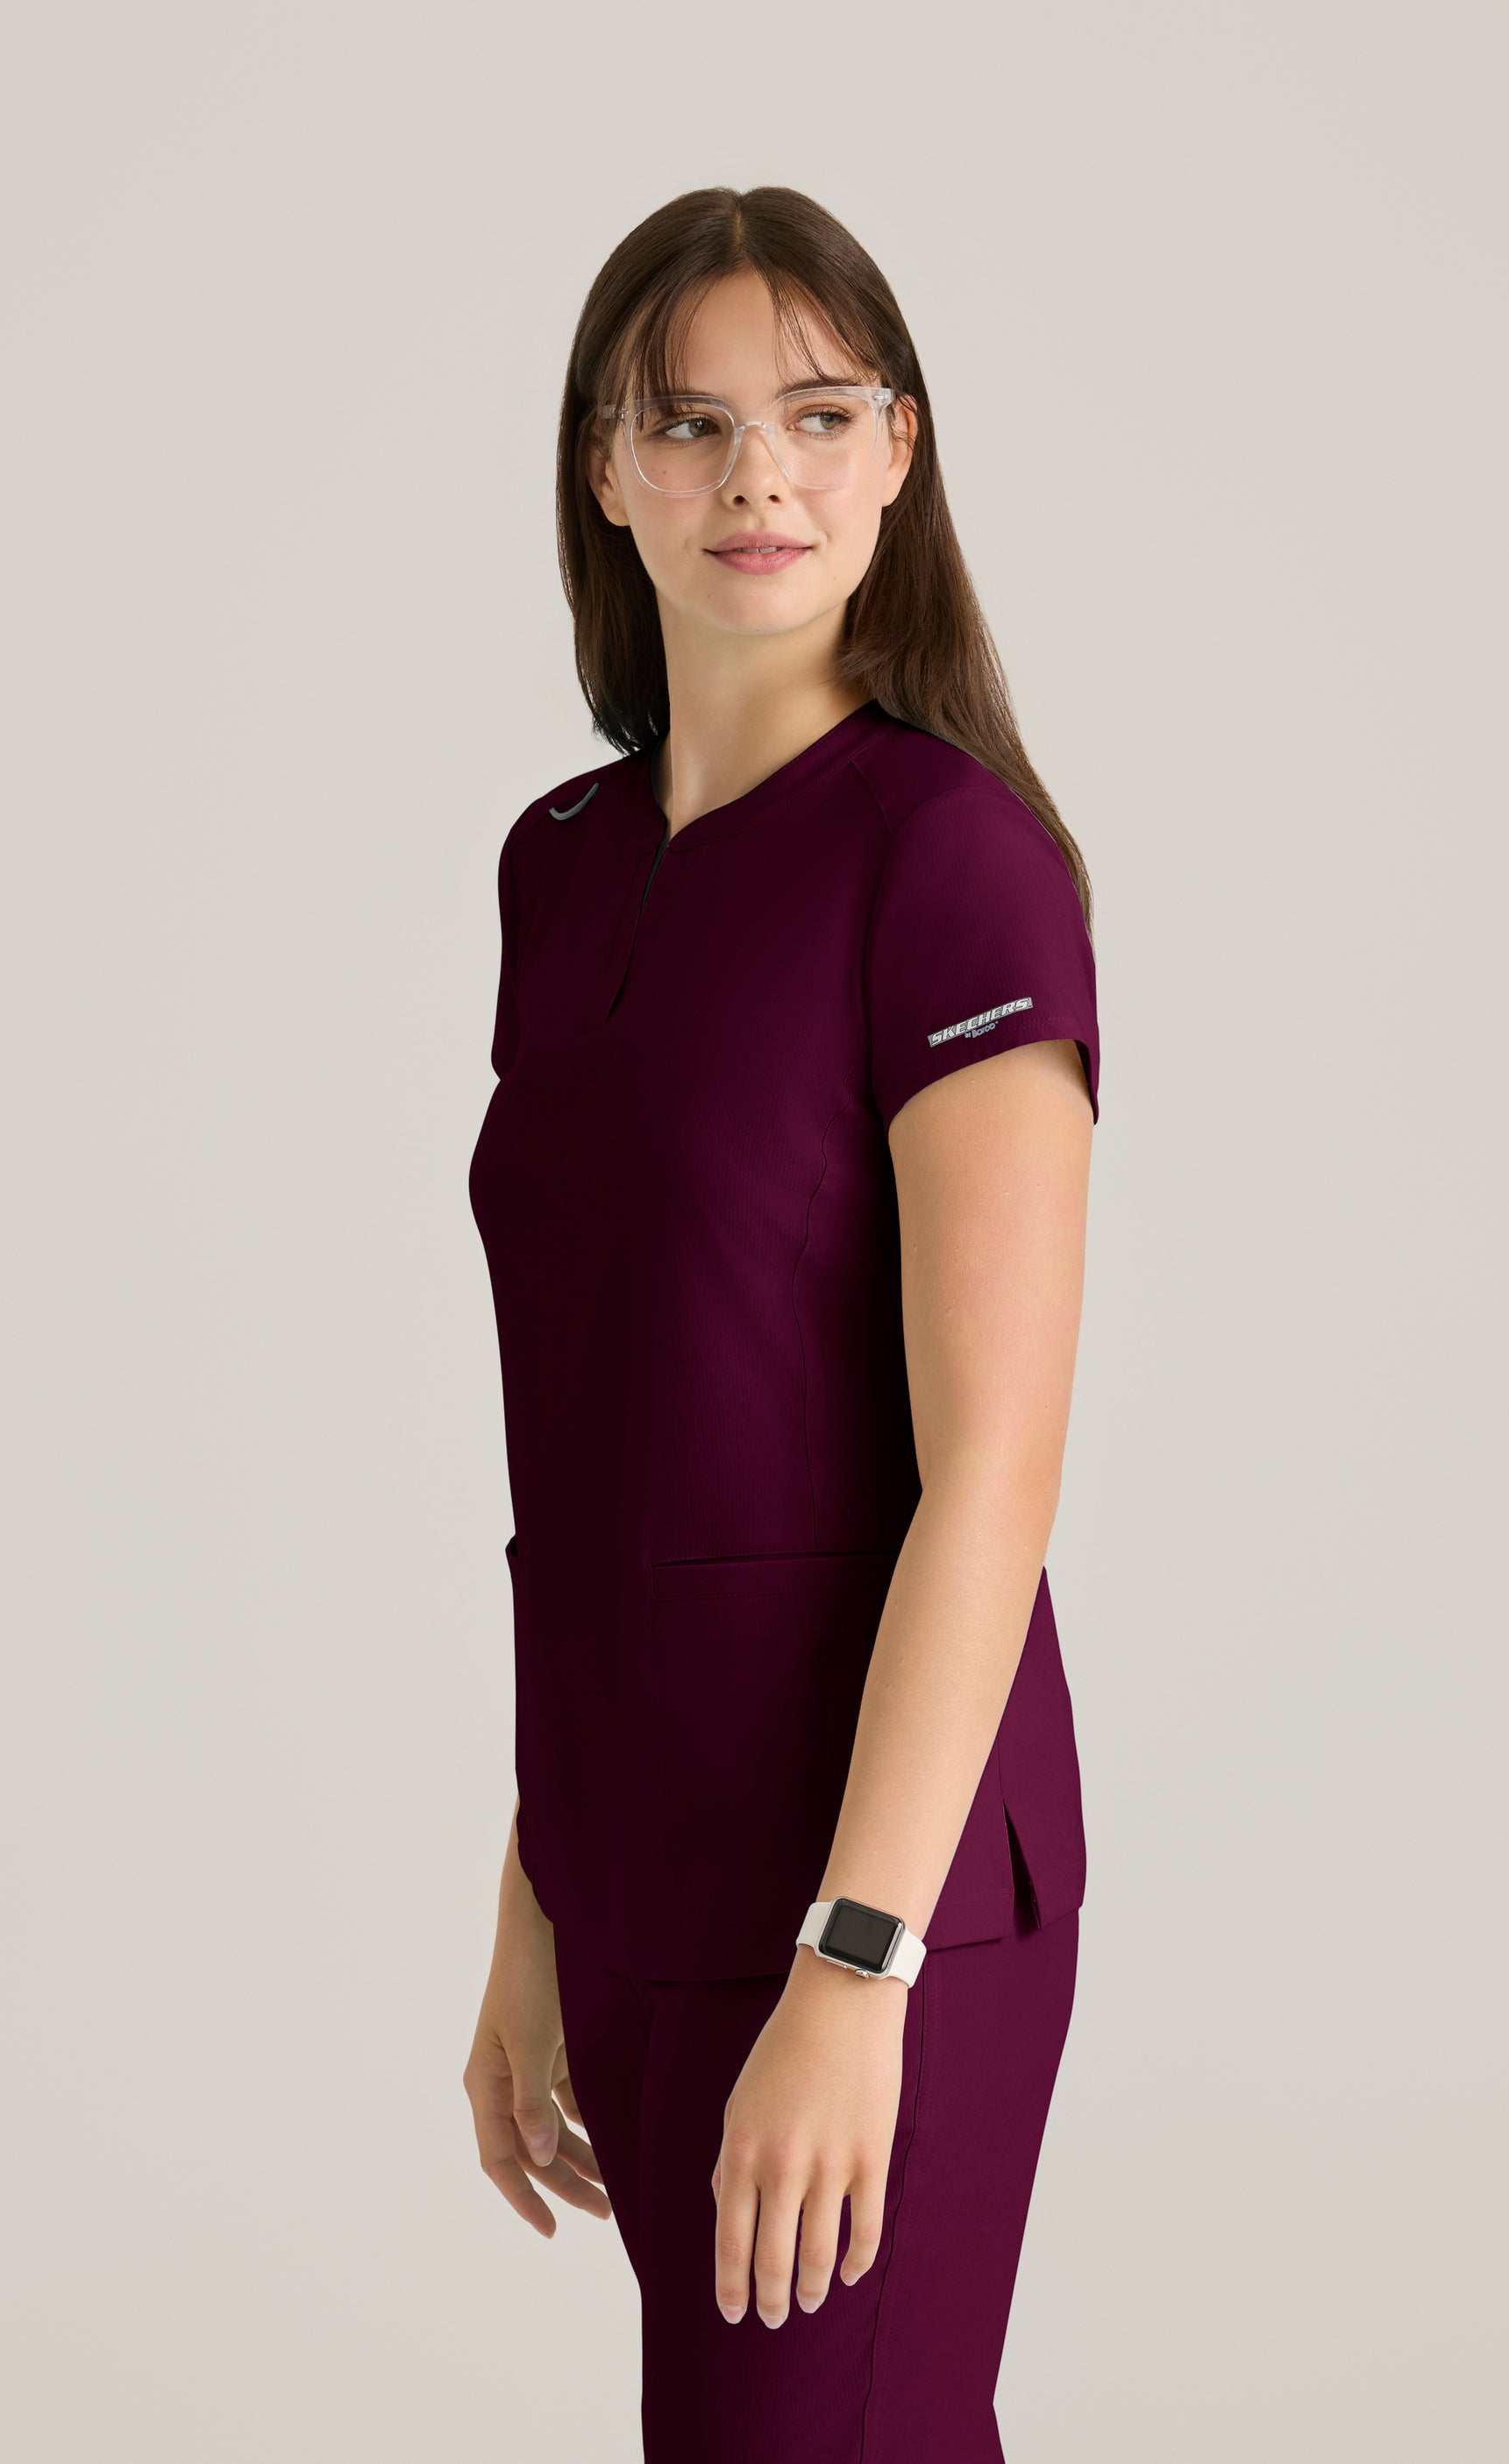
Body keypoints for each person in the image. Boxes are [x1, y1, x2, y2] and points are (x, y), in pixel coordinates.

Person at [462, 184, 1100, 2461]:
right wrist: (534, 1892)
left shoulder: (950, 862)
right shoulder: (558, 861)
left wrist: (856, 1959)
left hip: (872, 1878)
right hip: (626, 1853)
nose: (760, 479)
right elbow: (614, 1430)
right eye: (692, 423)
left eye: (820, 416)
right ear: (604, 465)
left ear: (899, 450)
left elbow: (992, 1469)